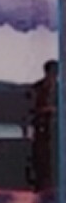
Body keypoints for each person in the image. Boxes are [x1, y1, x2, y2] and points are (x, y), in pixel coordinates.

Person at [31, 60, 57, 191]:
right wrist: (47, 110)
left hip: (56, 128)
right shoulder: (37, 88)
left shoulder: (60, 89)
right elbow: (31, 108)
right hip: (41, 125)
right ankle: (41, 183)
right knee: (41, 154)